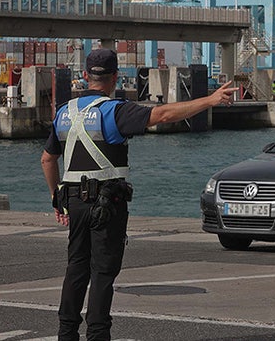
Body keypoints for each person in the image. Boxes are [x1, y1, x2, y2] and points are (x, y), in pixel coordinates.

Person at [40, 48, 239, 341]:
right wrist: (210, 100)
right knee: (103, 273)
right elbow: (164, 114)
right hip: (106, 204)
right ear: (115, 78)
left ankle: (66, 333)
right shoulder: (115, 110)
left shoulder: (64, 113)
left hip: (74, 202)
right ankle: (97, 335)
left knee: (76, 268)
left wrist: (57, 199)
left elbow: (47, 159)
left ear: (84, 76)